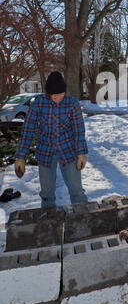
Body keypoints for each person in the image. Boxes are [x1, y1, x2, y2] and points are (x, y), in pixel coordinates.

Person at [14, 71, 88, 208]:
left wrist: (81, 153)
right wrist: (20, 157)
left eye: (61, 94)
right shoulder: (37, 105)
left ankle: (83, 219)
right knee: (47, 193)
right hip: (45, 152)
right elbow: (28, 131)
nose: (58, 98)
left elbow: (78, 131)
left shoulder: (73, 104)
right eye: (55, 95)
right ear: (48, 94)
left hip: (68, 150)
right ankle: (49, 222)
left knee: (76, 190)